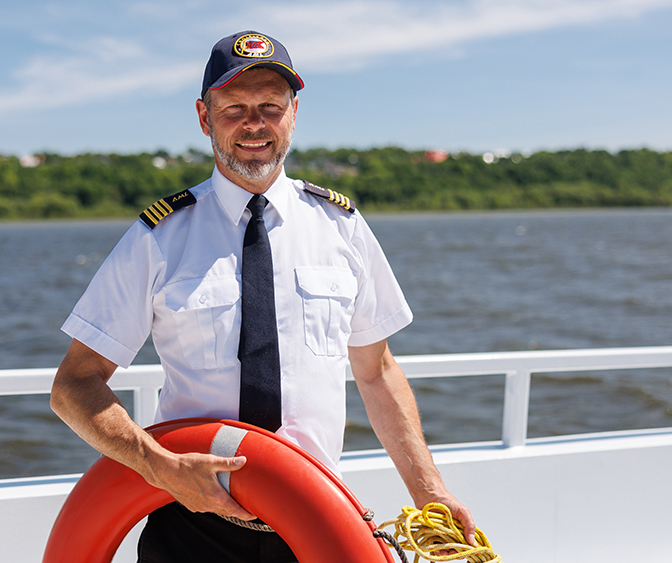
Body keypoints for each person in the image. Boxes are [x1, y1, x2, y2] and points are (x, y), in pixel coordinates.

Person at [50, 30, 475, 563]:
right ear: (204, 118)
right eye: (234, 108)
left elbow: (377, 371)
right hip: (191, 528)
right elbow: (74, 385)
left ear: (294, 113)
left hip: (314, 525)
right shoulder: (159, 237)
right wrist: (157, 464)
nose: (254, 123)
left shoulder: (341, 226)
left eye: (271, 105)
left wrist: (430, 491)